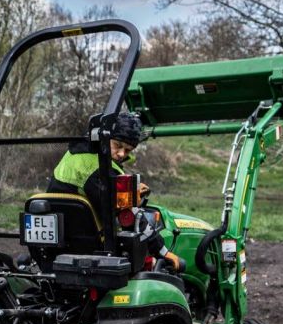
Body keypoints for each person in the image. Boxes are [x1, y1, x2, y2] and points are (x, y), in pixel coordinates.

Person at [47, 112, 185, 272]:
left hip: (60, 239)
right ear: (102, 138)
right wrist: (163, 251)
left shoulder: (74, 155)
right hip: (92, 248)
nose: (121, 154)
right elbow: (129, 216)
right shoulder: (100, 168)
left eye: (127, 150)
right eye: (118, 145)